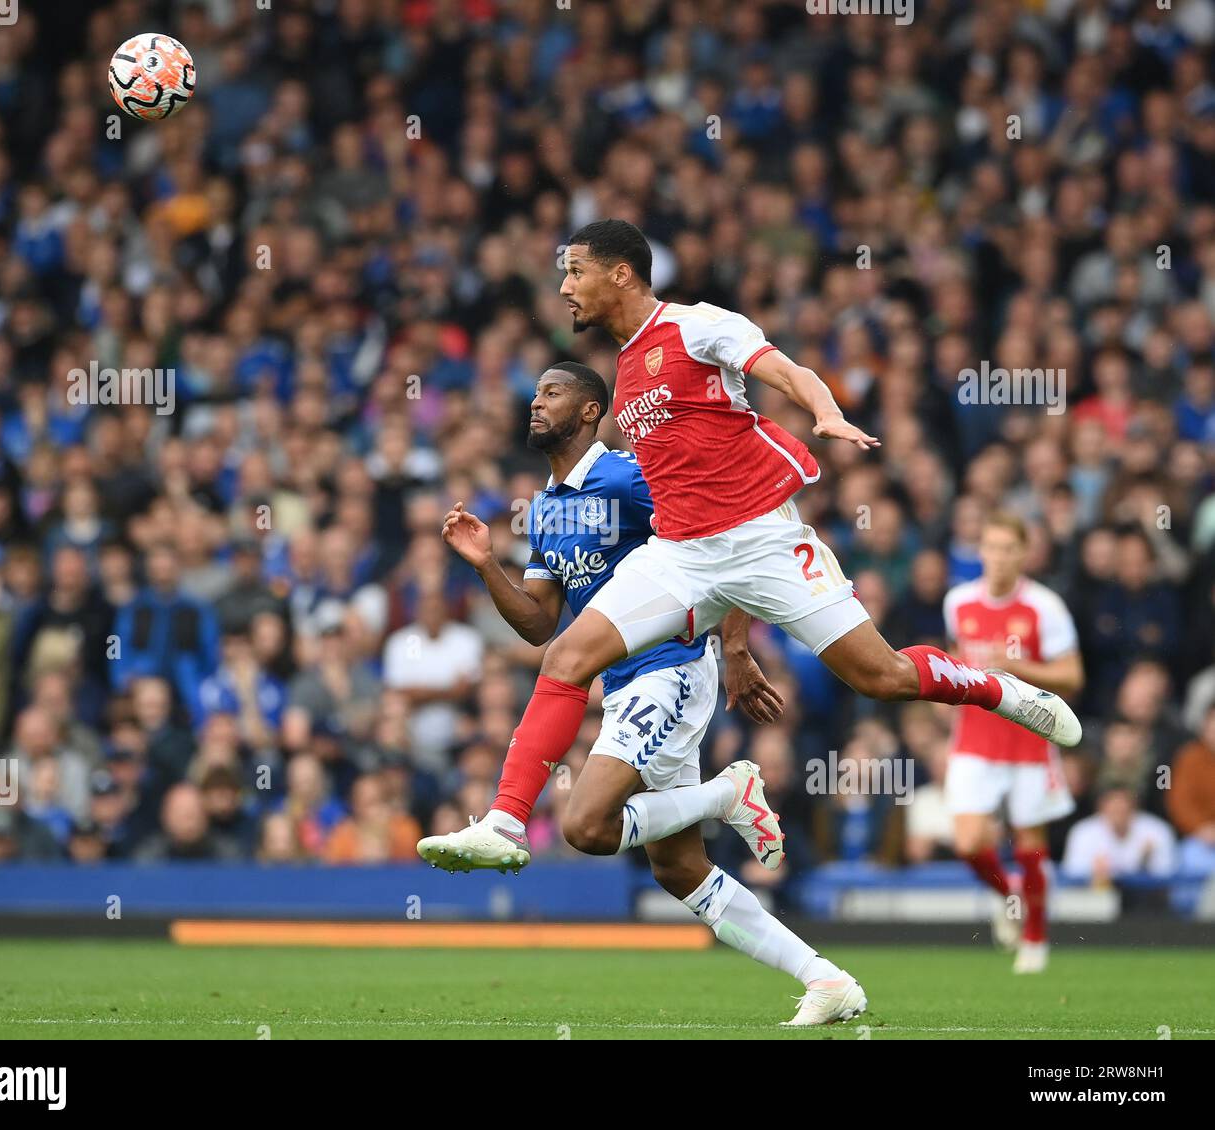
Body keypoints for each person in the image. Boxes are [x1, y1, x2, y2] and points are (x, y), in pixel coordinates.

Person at [432, 219, 1081, 902]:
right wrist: (733, 646)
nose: (564, 288)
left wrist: (824, 411)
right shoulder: (624, 378)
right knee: (565, 660)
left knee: (882, 677)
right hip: (681, 554)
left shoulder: (696, 325)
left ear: (620, 273)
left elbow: (786, 370)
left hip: (763, 539)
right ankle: (505, 824)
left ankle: (1000, 691)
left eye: (575, 271)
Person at [418, 361, 865, 1026]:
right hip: (626, 682)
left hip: (672, 667)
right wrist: (488, 566)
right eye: (535, 392)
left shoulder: (627, 477)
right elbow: (542, 623)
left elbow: (725, 540)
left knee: (585, 826)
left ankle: (726, 794)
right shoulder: (547, 507)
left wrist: (737, 647)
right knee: (678, 869)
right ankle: (826, 979)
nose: (535, 403)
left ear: (592, 411)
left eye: (552, 392)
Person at [942, 513, 1084, 974]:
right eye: (991, 546)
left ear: (1024, 553)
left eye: (1008, 548)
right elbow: (956, 666)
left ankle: (1036, 940)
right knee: (966, 843)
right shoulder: (958, 602)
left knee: (1030, 843)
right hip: (975, 738)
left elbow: (1072, 676)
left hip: (1028, 741)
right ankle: (1011, 895)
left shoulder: (1045, 607)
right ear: (979, 550)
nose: (999, 557)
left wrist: (1019, 669)